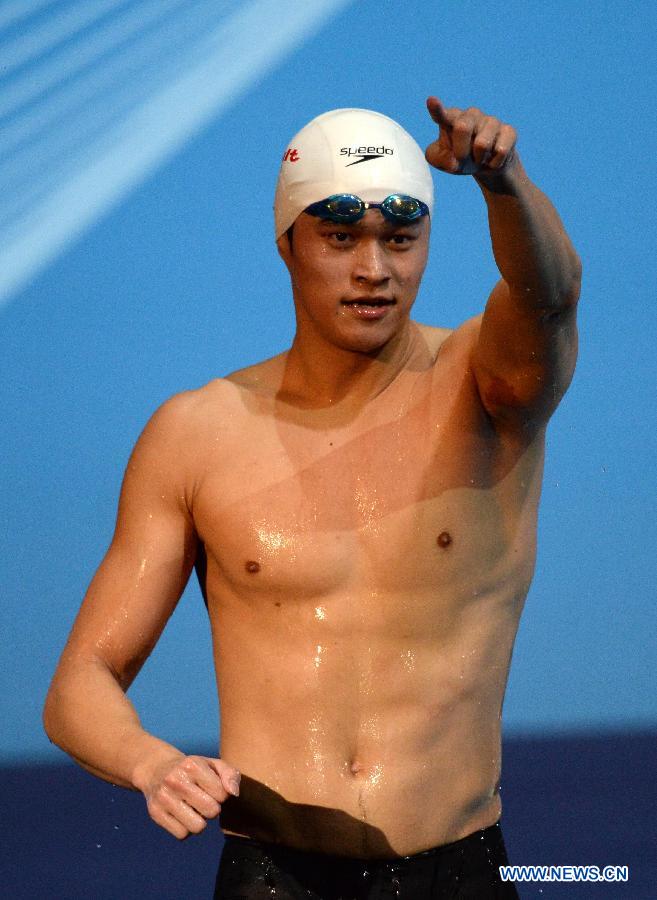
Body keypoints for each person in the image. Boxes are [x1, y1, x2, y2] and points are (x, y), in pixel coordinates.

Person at [44, 96, 581, 899]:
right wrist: (150, 764)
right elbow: (82, 680)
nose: (375, 269)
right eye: (341, 238)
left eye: (401, 238)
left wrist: (503, 184)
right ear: (287, 244)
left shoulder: (487, 386)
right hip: (272, 876)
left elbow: (549, 294)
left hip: (456, 871)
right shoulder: (196, 434)